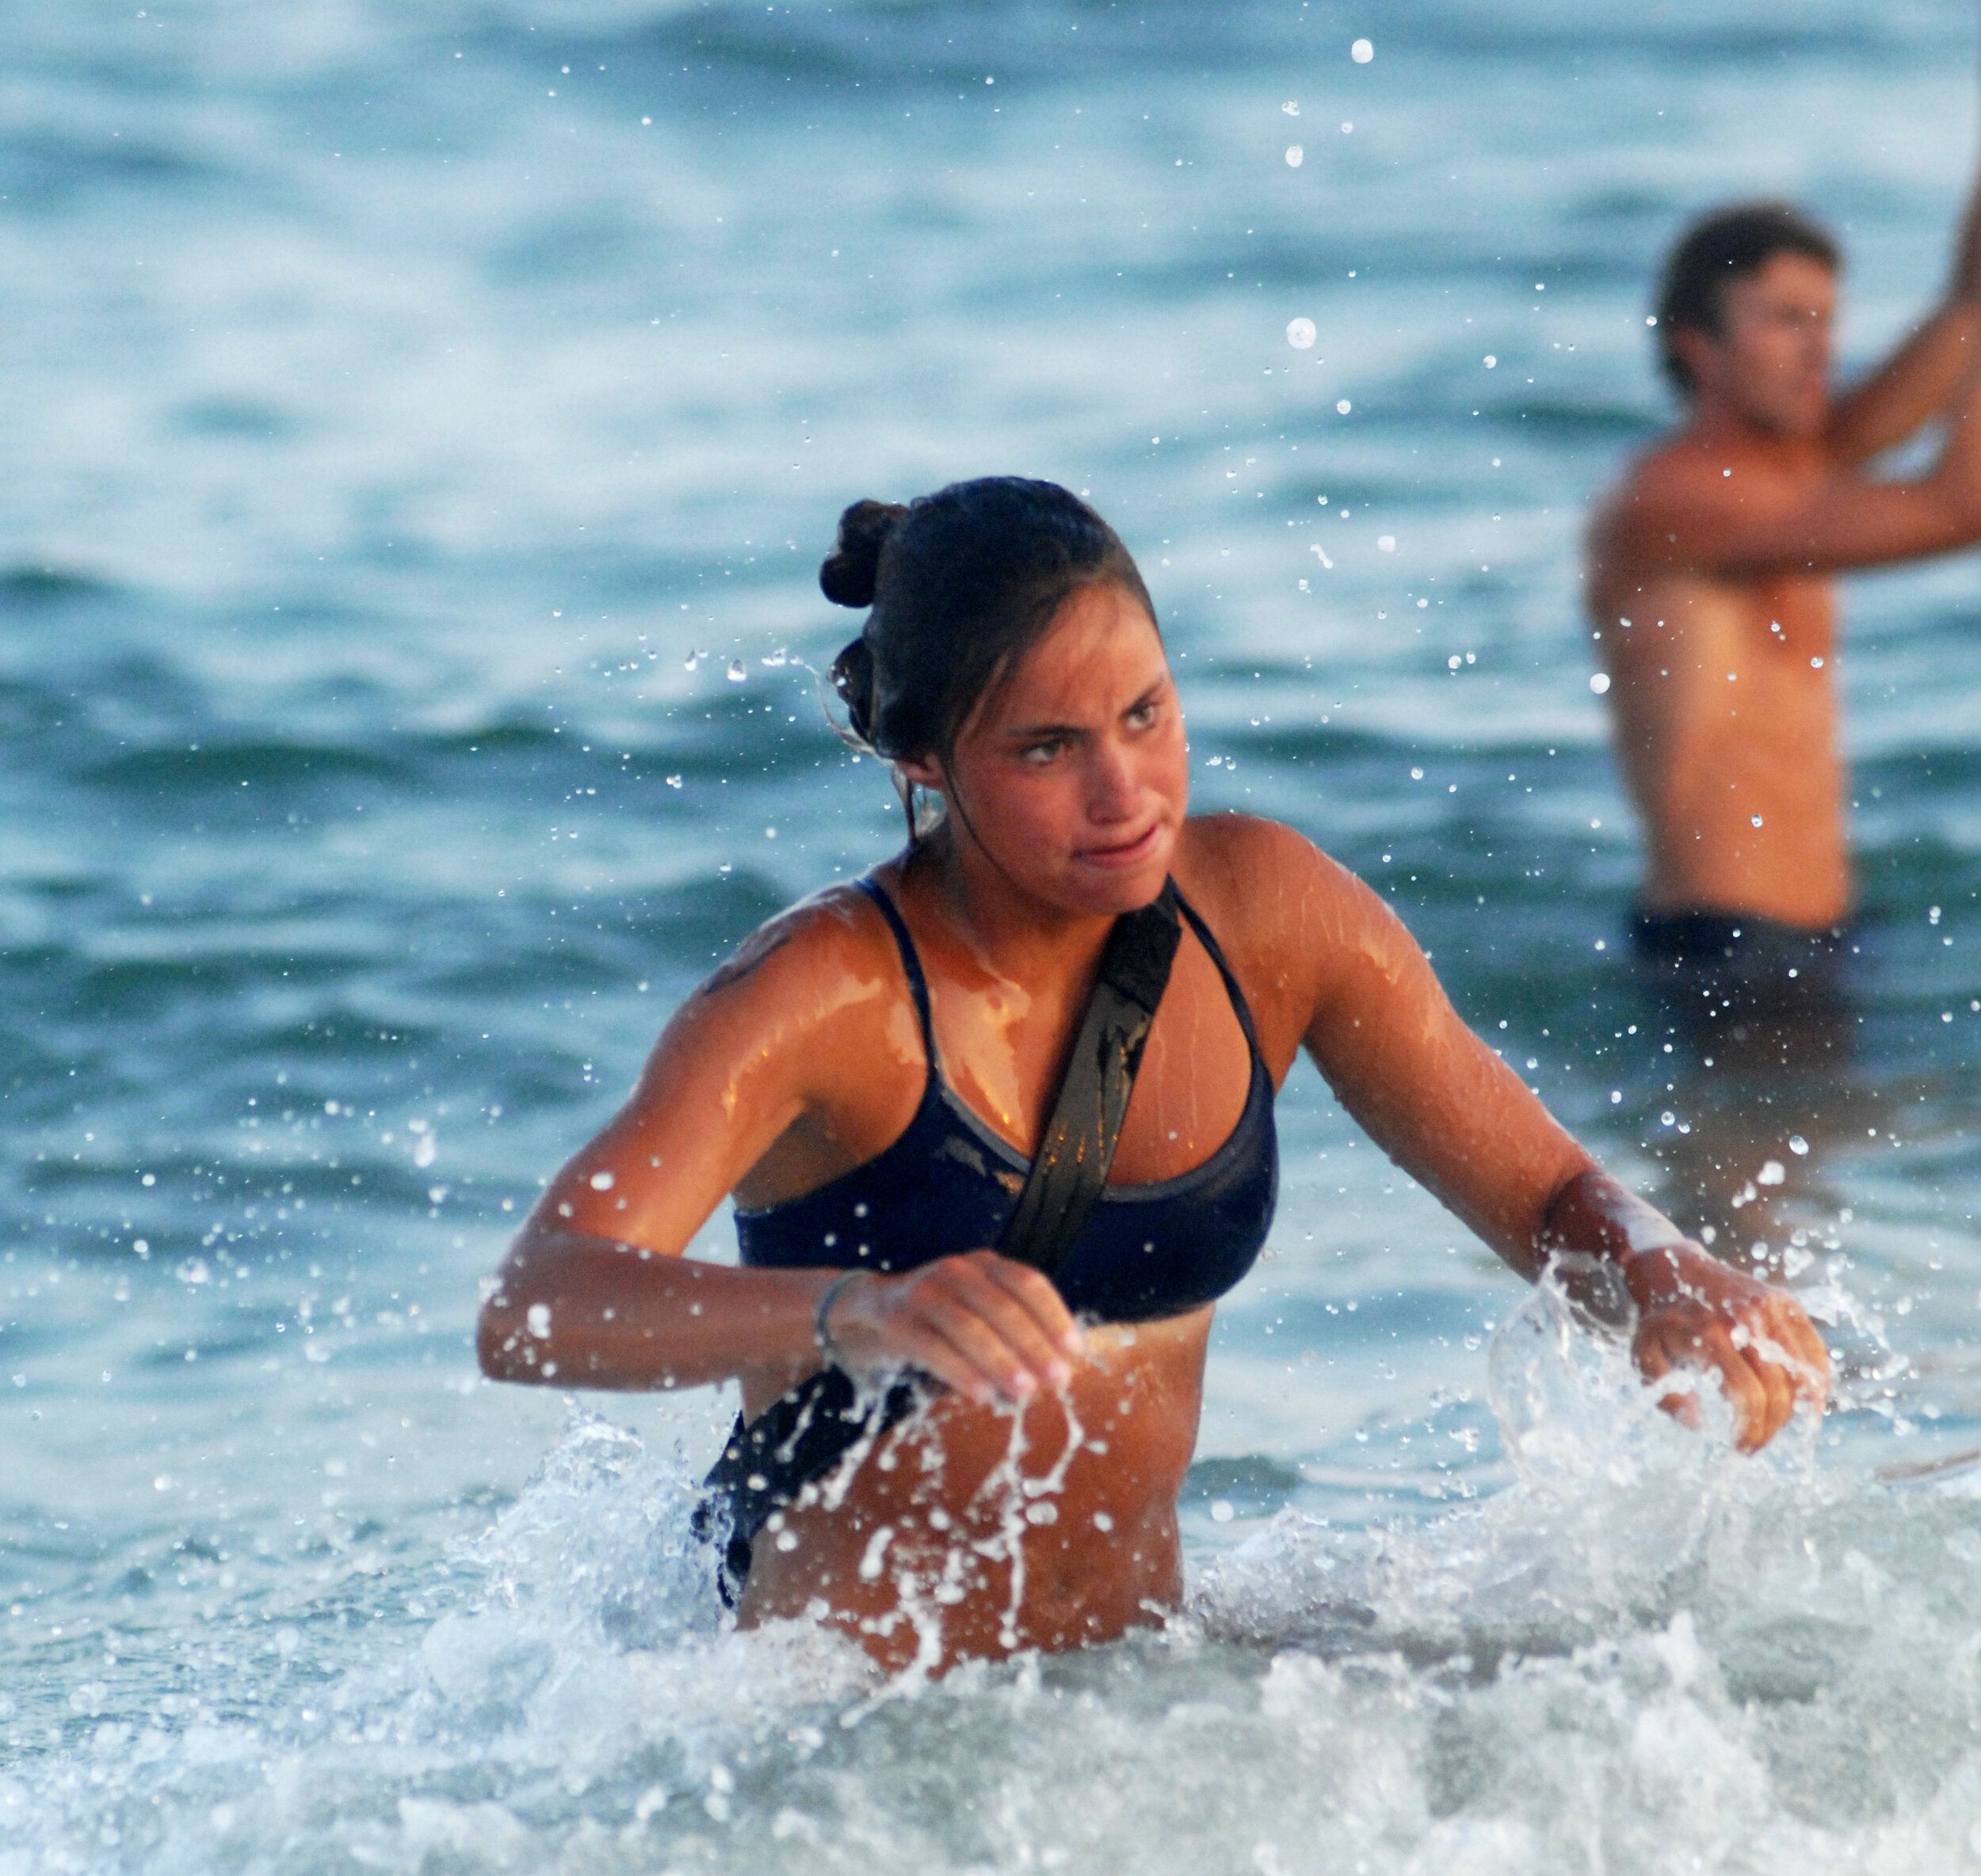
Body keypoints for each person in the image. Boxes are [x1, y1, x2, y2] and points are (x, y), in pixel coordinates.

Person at [479, 479, 1827, 1674]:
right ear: (922, 761)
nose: (1125, 791)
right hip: (845, 1719)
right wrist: (863, 1309)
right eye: (1047, 749)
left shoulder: (1268, 915)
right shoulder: (826, 992)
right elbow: (535, 1304)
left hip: (1134, 1689)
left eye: (1145, 712)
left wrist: (1659, 1264)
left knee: (1655, 1691)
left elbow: (1545, 1195)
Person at [1587, 185, 1981, 1016]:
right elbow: (1961, 506)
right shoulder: (1671, 504)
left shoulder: (1788, 471)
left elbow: (1962, 312)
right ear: (1700, 349)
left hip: (1820, 935)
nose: (1819, 350)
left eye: (1825, 320)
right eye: (1784, 321)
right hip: (1724, 944)